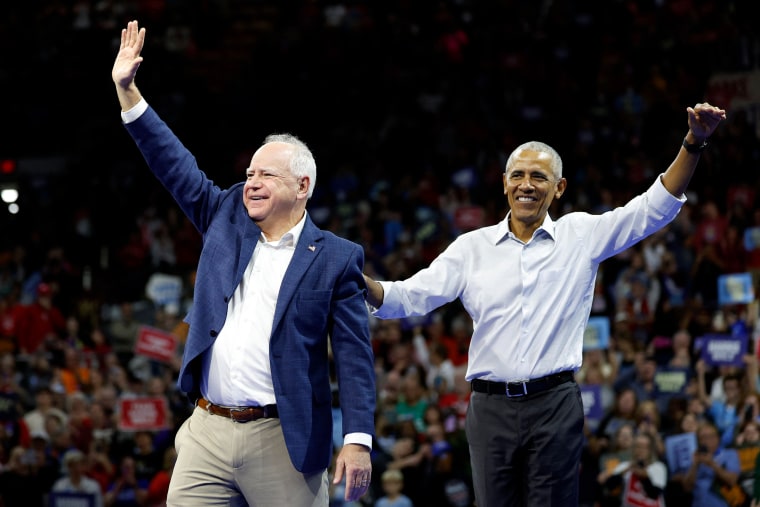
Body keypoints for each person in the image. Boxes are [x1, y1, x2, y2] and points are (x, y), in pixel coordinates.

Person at [364, 102, 726, 506]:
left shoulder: (580, 235)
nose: (526, 184)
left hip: (554, 406)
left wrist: (693, 142)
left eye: (539, 176)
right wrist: (363, 285)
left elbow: (651, 209)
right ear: (504, 183)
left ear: (559, 188)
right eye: (517, 175)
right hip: (489, 409)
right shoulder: (471, 248)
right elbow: (410, 295)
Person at [111, 20, 376, 505]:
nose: (251, 182)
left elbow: (356, 358)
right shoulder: (225, 216)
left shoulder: (337, 258)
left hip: (285, 441)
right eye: (249, 172)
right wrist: (129, 93)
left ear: (302, 187)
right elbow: (175, 165)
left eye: (266, 174)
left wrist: (358, 440)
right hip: (207, 432)